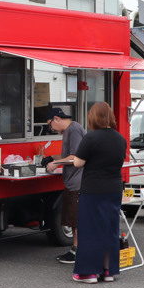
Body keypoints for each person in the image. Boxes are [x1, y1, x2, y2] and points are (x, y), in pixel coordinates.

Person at [58, 102, 127, 284]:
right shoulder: (120, 138)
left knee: (89, 230)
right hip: (114, 189)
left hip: (93, 190)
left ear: (93, 118)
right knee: (109, 230)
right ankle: (108, 271)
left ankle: (87, 273)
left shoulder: (91, 138)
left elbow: (78, 163)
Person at [43, 108, 85, 265]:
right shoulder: (69, 131)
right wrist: (51, 157)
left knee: (76, 220)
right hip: (73, 181)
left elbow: (76, 156)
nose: (51, 128)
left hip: (78, 182)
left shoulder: (74, 130)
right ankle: (76, 249)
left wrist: (56, 163)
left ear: (56, 118)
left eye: (50, 124)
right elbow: (69, 153)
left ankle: (78, 251)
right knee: (74, 220)